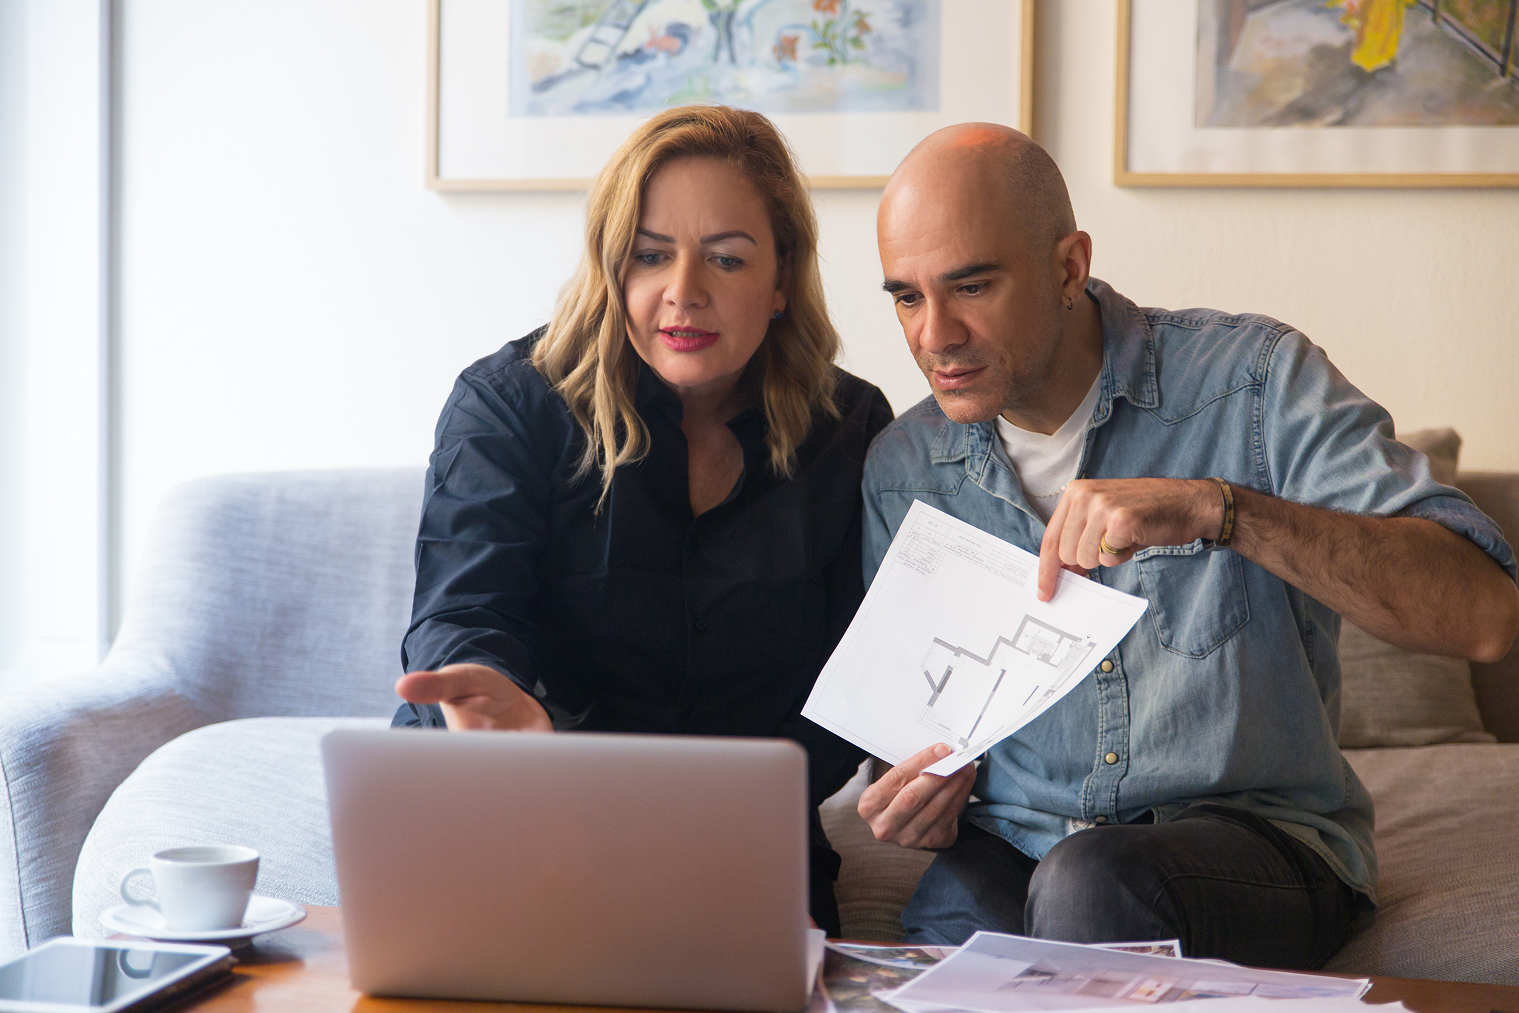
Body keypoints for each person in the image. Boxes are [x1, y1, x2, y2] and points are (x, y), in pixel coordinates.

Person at [857, 123, 1519, 967]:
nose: (933, 335)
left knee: (1087, 883)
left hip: (1253, 844)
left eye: (970, 286)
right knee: (950, 934)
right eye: (906, 297)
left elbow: (1484, 614)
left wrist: (1224, 510)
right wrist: (918, 794)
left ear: (1068, 266)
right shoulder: (904, 469)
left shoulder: (1253, 383)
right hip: (1011, 842)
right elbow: (912, 729)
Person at [391, 105, 893, 936]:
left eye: (726, 258)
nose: (683, 291)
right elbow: (461, 611)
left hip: (737, 847)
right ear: (610, 265)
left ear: (778, 283)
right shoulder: (509, 405)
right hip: (522, 815)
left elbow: (869, 673)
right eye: (651, 255)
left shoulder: (850, 428)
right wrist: (490, 698)